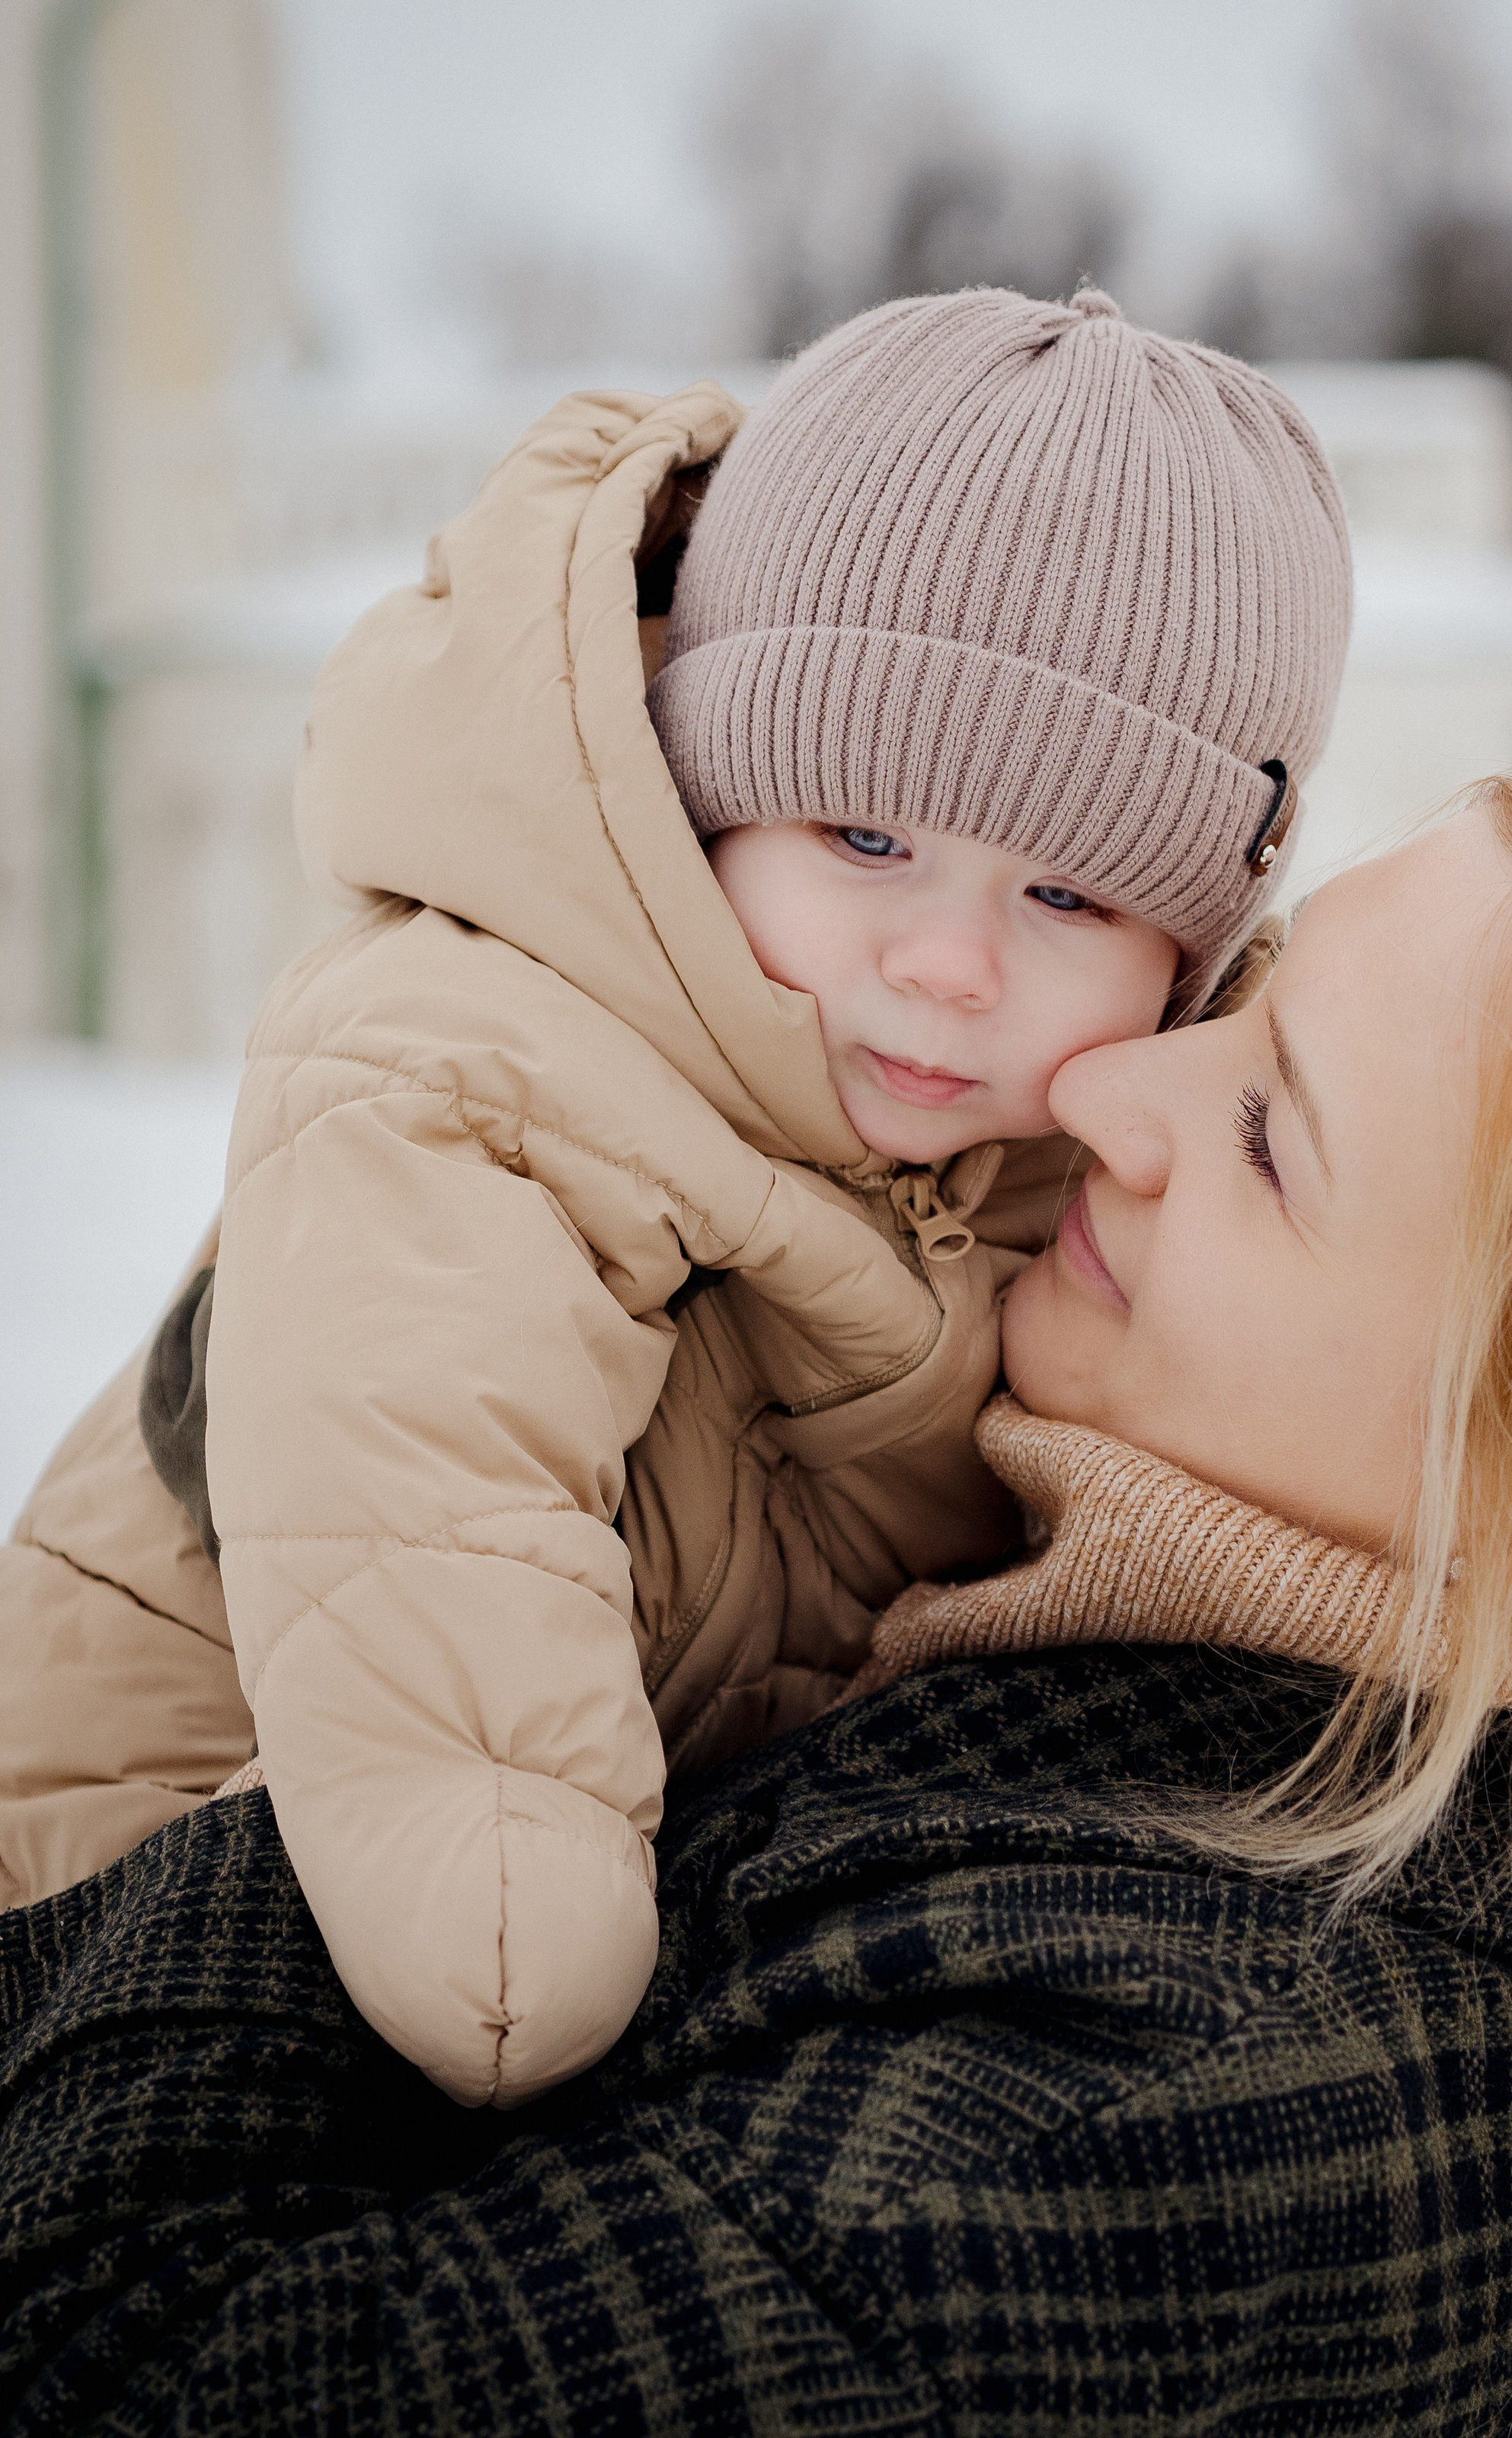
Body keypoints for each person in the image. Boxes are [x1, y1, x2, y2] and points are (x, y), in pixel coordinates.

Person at [10, 739, 1512, 2434]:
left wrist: (405, 1622)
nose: (1108, 1089)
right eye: (1239, 1002)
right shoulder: (1292, 1742)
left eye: (1269, 1140)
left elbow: (114, 2359)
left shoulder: (1110, 2127)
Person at [0, 286, 1352, 2110]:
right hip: (148, 1878)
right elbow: (420, 1477)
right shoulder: (483, 1063)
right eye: (862, 838)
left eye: (1067, 902)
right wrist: (511, 1925)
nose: (946, 962)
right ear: (701, 790)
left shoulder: (1073, 1168)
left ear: (1192, 945)